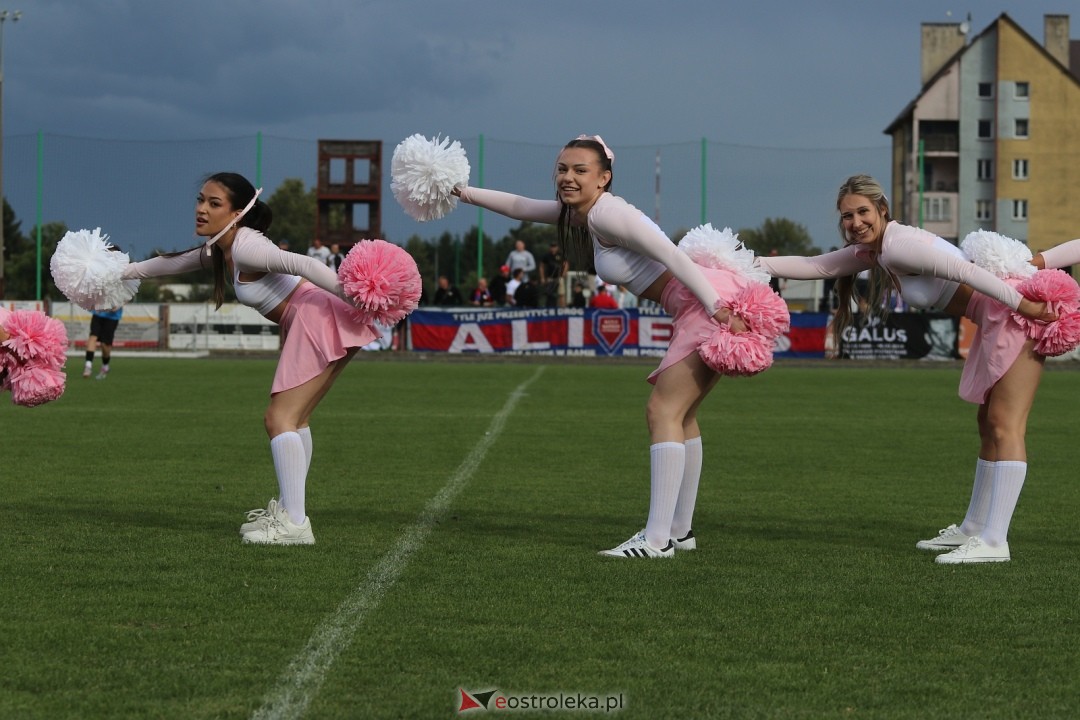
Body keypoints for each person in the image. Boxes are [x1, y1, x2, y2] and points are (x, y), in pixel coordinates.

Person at [455, 135, 760, 559]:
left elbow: (674, 257)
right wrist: (461, 191)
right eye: (563, 168)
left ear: (604, 178)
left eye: (581, 170)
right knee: (683, 415)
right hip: (701, 303)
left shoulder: (610, 213)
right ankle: (681, 531)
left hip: (706, 302)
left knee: (662, 411)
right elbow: (520, 206)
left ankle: (657, 541)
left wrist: (718, 308)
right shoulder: (585, 213)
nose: (568, 177)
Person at [758, 174, 1055, 564]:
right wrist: (749, 263)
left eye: (863, 211)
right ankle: (973, 529)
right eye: (847, 216)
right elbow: (817, 266)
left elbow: (966, 273)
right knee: (988, 425)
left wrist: (1026, 307)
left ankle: (995, 542)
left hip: (1015, 317)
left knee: (1005, 425)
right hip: (999, 317)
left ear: (882, 209)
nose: (855, 222)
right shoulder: (876, 250)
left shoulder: (898, 246)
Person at [121, 172, 383, 545]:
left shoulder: (245, 246)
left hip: (316, 316)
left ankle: (294, 523)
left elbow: (305, 265)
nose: (201, 209)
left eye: (214, 204)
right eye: (200, 200)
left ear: (237, 212)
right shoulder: (222, 246)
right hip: (317, 316)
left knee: (279, 418)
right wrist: (122, 272)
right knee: (297, 419)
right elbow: (173, 263)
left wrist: (355, 295)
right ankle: (290, 511)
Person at [84, 305, 123, 380]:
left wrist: (118, 306)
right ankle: (88, 366)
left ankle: (105, 365)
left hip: (112, 317)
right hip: (98, 313)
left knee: (104, 344)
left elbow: (128, 295)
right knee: (93, 337)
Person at [539, 242, 568, 307]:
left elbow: (565, 264)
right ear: (550, 247)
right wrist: (542, 278)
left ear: (557, 247)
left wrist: (563, 273)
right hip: (550, 277)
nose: (553, 248)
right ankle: (551, 308)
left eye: (554, 247)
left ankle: (563, 309)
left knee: (561, 293)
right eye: (552, 247)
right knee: (550, 294)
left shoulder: (561, 255)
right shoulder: (546, 256)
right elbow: (541, 266)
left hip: (559, 277)